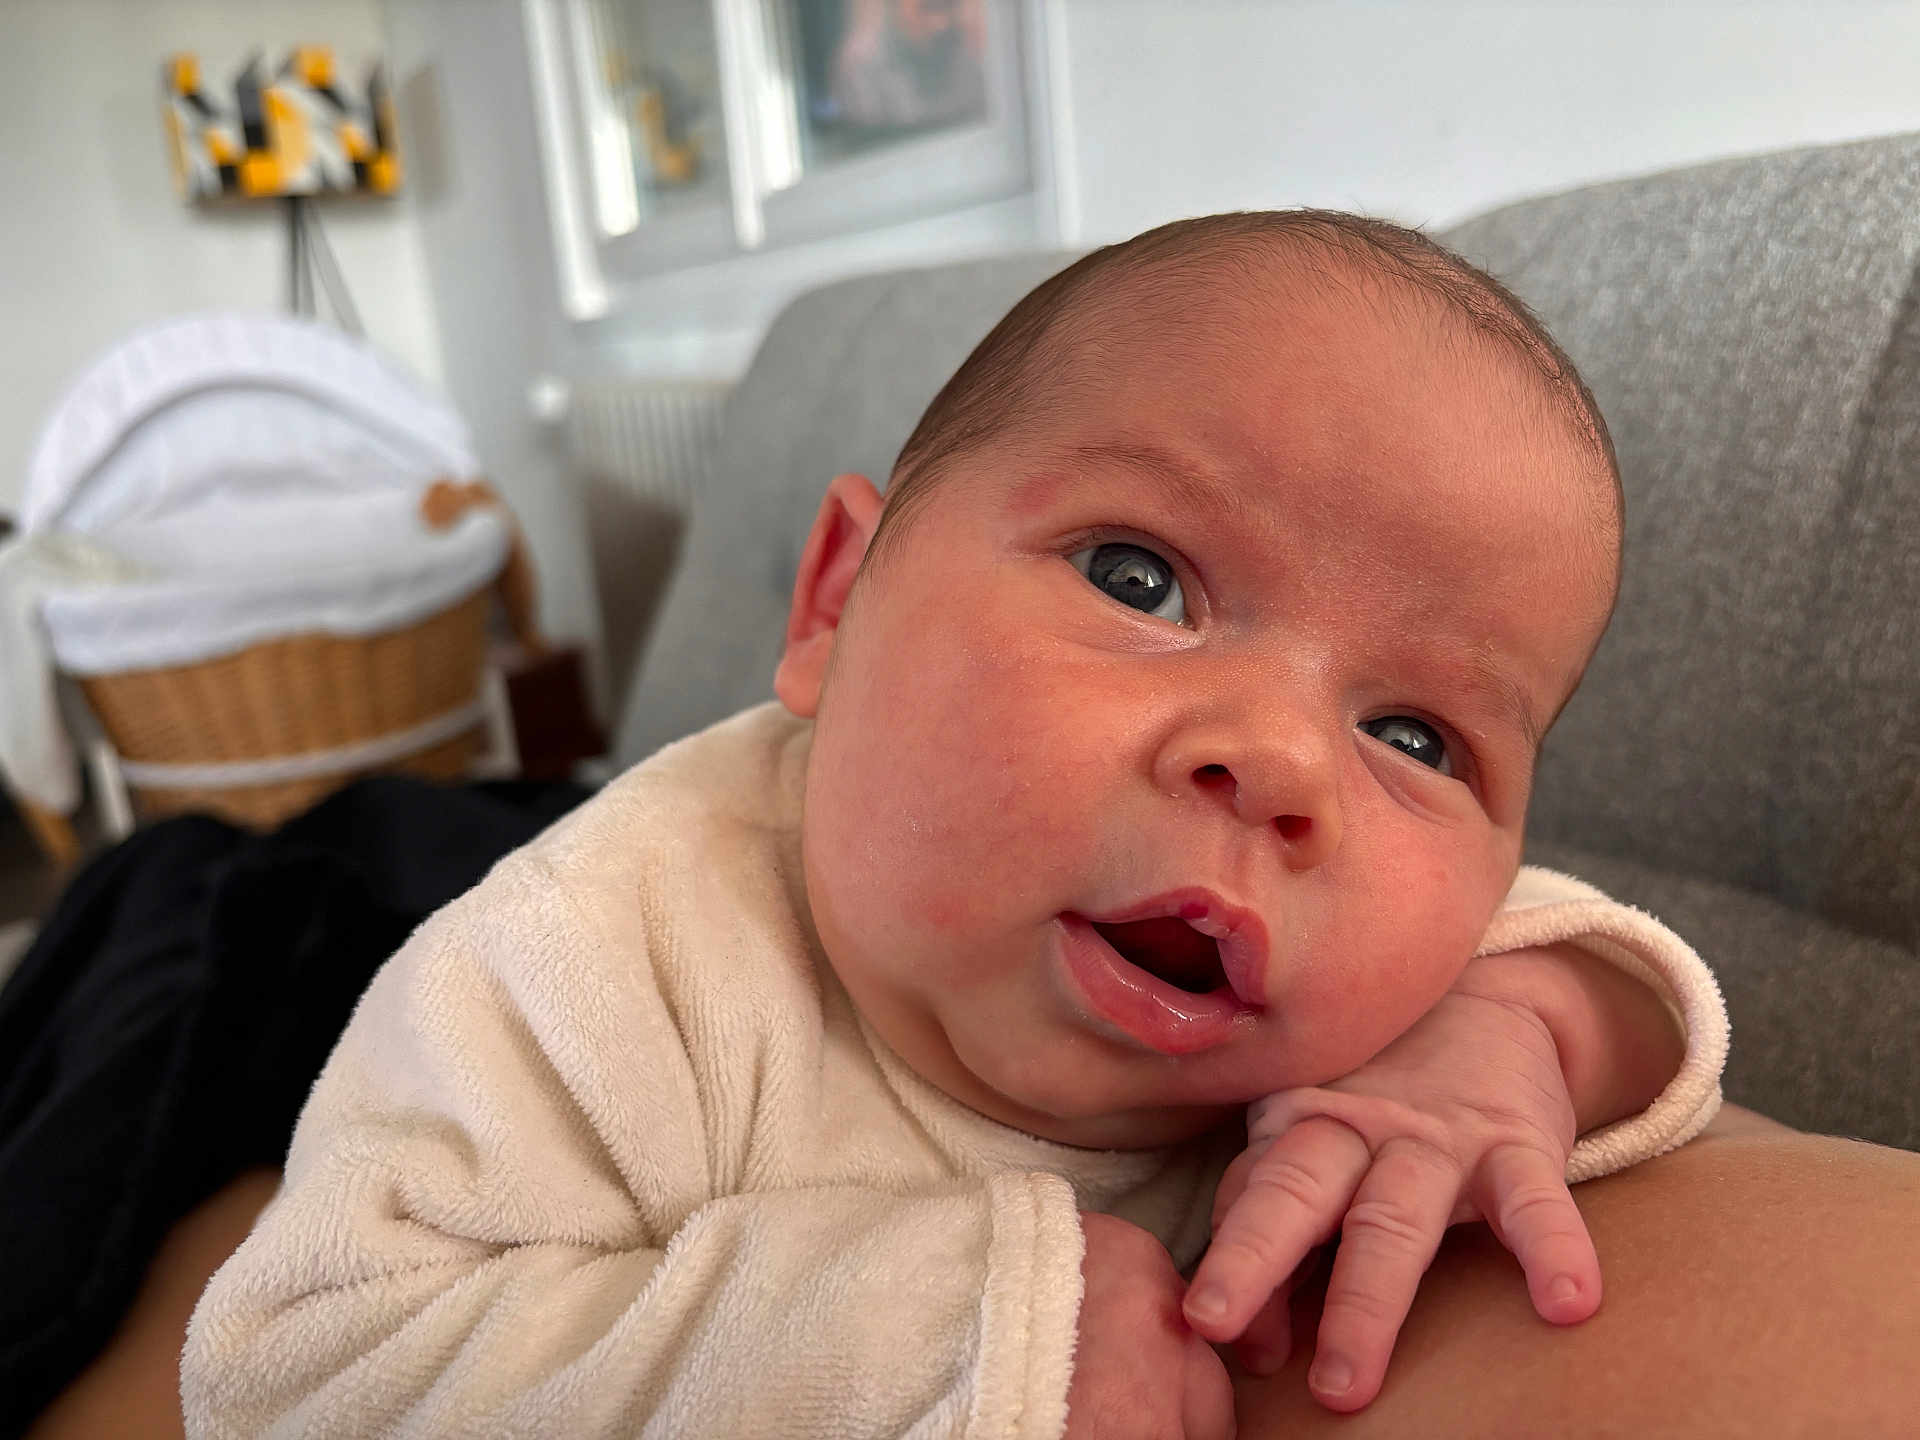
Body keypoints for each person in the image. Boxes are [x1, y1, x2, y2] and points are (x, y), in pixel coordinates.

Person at [181, 212, 1730, 1439]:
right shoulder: (595, 960)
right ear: (838, 603)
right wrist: (953, 1339)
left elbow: (1628, 987)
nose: (1281, 769)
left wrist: (1515, 1038)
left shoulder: (1383, 974)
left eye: (1415, 737)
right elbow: (296, 1376)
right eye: (1141, 580)